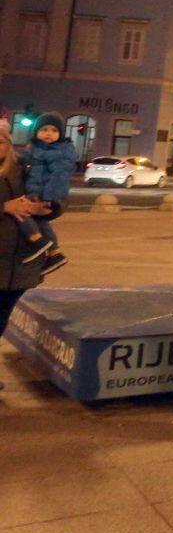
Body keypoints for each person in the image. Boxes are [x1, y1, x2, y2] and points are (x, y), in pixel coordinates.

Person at [0, 121, 53, 393]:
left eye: (1, 142)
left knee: (2, 318)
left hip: (20, 264)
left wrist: (44, 208)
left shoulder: (21, 169)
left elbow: (46, 197)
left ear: (8, 144)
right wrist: (4, 206)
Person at [18, 112, 74, 273]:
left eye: (54, 130)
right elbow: (25, 161)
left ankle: (36, 241)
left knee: (21, 211)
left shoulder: (59, 153)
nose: (48, 133)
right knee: (41, 222)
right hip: (36, 191)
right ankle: (55, 253)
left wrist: (49, 199)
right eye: (44, 129)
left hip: (44, 195)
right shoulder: (35, 149)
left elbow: (59, 176)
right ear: (36, 133)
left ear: (61, 134)